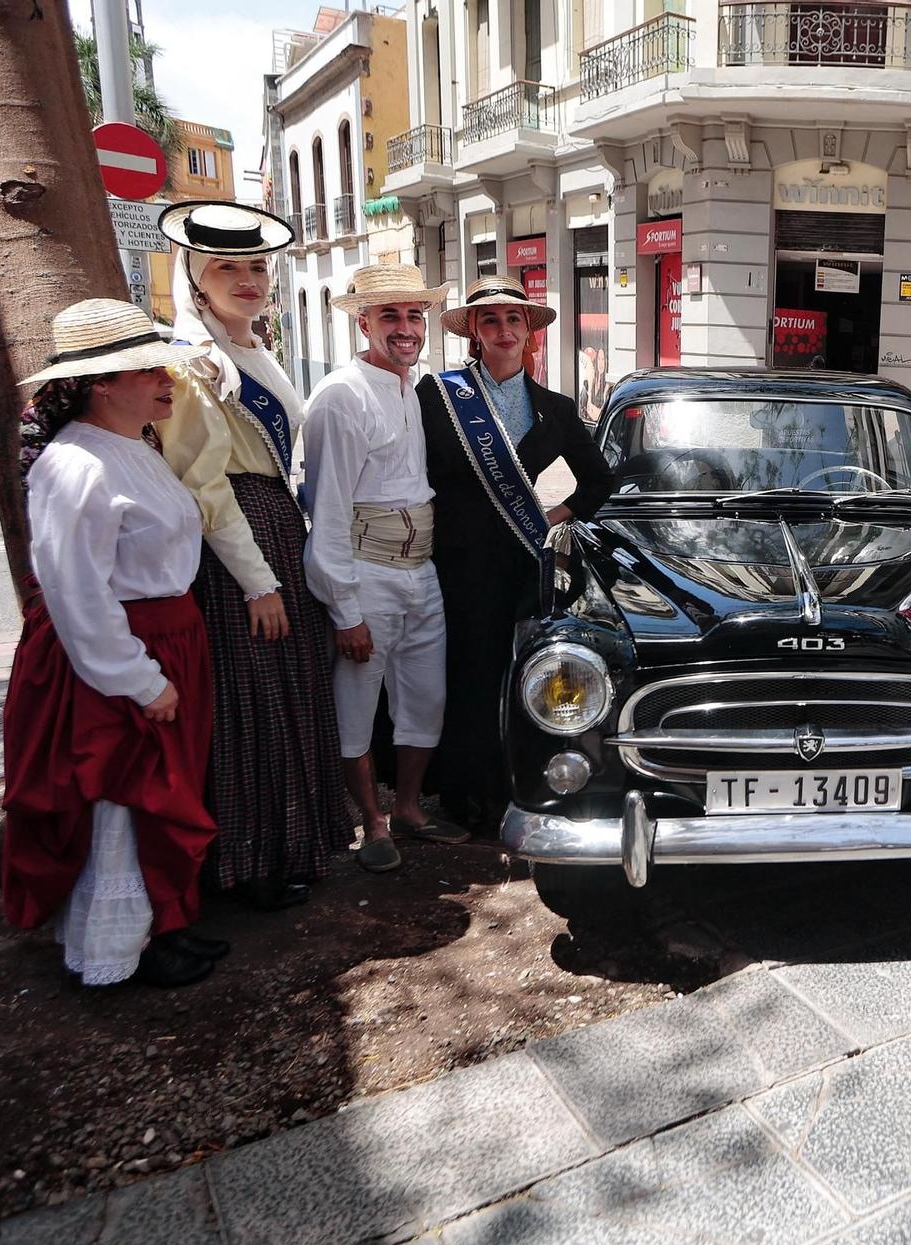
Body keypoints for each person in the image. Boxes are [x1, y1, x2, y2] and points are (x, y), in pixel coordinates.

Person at [2, 299, 225, 987]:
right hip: (123, 651)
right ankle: (125, 945)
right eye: (147, 369)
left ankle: (168, 923)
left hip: (169, 637)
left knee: (168, 785)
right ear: (102, 383)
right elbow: (75, 589)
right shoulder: (75, 464)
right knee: (130, 792)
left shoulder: (134, 447)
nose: (166, 378)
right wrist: (137, 678)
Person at [153, 202, 350, 910]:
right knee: (256, 700)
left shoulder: (250, 351)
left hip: (277, 523)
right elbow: (204, 486)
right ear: (196, 280)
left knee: (292, 688)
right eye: (226, 268)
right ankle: (253, 861)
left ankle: (298, 844)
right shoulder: (191, 363)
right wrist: (258, 582)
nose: (248, 280)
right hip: (239, 543)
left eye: (258, 267)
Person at [422, 273, 612, 833]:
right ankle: (463, 791)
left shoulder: (556, 408)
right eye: (490, 320)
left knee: (517, 672)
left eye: (514, 319)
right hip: (456, 563)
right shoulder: (439, 397)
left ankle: (519, 782)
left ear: (530, 332)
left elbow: (599, 481)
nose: (503, 329)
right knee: (465, 672)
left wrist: (552, 516)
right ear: (474, 333)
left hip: (521, 563)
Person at [303, 262, 467, 872]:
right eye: (390, 315)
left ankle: (408, 810)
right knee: (356, 703)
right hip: (366, 571)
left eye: (414, 315)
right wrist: (345, 609)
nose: (406, 328)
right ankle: (372, 823)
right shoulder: (341, 396)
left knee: (426, 697)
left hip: (420, 571)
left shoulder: (410, 386)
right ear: (363, 322)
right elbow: (327, 508)